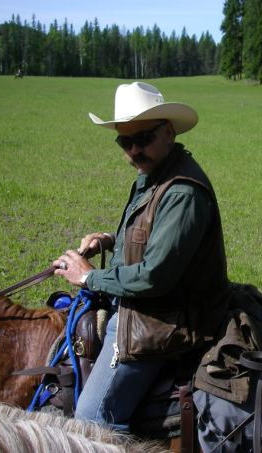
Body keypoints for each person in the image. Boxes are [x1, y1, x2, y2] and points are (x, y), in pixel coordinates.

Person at [53, 81, 231, 431]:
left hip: (166, 318)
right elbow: (152, 236)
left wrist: (89, 276)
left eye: (143, 138)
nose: (134, 150)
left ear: (168, 132)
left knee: (91, 418)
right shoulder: (155, 174)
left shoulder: (182, 192)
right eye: (125, 142)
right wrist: (110, 240)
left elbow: (154, 277)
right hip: (151, 307)